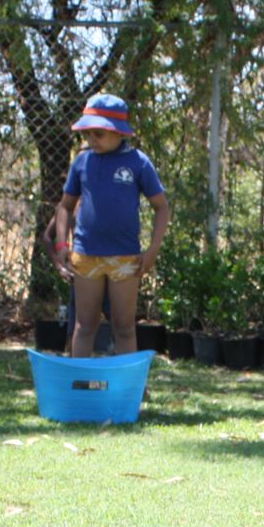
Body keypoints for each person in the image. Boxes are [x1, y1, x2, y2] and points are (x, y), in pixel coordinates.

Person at [48, 93, 168, 357]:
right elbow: (65, 206)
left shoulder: (138, 162)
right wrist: (61, 244)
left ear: (119, 133)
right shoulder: (82, 162)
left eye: (99, 134)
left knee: (124, 328)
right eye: (88, 134)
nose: (92, 140)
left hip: (125, 257)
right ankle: (80, 384)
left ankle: (127, 390)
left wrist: (152, 252)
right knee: (84, 325)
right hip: (86, 256)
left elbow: (161, 207)